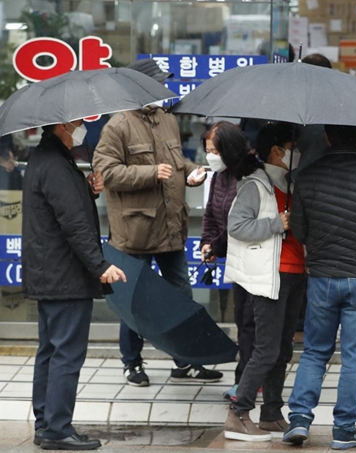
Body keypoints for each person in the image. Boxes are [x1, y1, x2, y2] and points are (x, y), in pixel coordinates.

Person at [93, 58, 221, 387]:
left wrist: (191, 173)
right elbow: (105, 172)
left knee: (182, 296)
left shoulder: (167, 120)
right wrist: (148, 172)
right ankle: (131, 362)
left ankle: (187, 360)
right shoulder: (117, 125)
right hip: (135, 230)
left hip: (170, 227)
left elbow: (175, 164)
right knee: (133, 301)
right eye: (158, 83)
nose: (164, 89)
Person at [283, 124, 356, 450]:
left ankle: (300, 419)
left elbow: (300, 231)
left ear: (326, 136)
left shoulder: (306, 175)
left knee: (314, 352)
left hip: (321, 276)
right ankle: (344, 430)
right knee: (354, 358)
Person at [23, 120, 126, 450]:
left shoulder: (47, 160)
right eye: (80, 123)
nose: (83, 128)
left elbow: (63, 209)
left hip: (49, 273)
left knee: (50, 351)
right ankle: (57, 429)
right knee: (66, 353)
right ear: (64, 126)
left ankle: (46, 422)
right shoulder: (55, 164)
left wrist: (88, 189)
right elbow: (74, 225)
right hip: (64, 275)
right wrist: (100, 266)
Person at [223, 122, 306, 441]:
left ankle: (271, 413)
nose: (295, 154)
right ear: (277, 151)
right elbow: (237, 226)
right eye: (291, 147)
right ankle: (238, 412)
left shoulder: (289, 183)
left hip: (295, 273)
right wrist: (274, 223)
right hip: (269, 276)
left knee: (283, 349)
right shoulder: (255, 185)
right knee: (266, 349)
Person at [199, 122, 252, 401]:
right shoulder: (218, 176)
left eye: (215, 151)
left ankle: (248, 380)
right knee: (242, 319)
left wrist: (217, 243)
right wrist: (207, 242)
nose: (211, 156)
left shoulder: (249, 176)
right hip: (231, 255)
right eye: (207, 150)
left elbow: (239, 222)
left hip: (252, 256)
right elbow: (211, 213)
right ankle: (245, 380)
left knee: (250, 322)